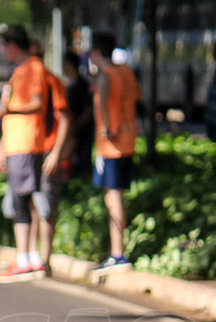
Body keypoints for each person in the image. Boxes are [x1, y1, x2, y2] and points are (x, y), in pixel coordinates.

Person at [0, 25, 48, 283]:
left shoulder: (33, 67)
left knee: (21, 201)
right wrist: (2, 146)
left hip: (26, 143)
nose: (3, 51)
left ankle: (25, 258)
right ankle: (30, 257)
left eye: (4, 45)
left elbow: (37, 103)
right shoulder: (19, 71)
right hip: (16, 143)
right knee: (25, 200)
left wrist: (12, 113)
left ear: (13, 44)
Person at [88, 31, 141, 273]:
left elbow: (102, 103)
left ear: (97, 53)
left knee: (113, 197)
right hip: (128, 139)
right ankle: (119, 251)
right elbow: (137, 96)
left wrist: (108, 128)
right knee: (117, 195)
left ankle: (117, 253)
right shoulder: (125, 71)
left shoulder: (106, 75)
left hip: (111, 144)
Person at [29, 40, 70, 277]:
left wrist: (56, 152)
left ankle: (46, 257)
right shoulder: (23, 79)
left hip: (46, 150)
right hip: (28, 149)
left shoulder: (52, 81)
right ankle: (32, 255)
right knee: (30, 204)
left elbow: (64, 117)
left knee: (46, 206)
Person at [61, 51, 93, 179]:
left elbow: (88, 109)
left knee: (82, 162)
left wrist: (77, 125)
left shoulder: (82, 84)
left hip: (82, 131)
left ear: (69, 64)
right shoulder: (69, 84)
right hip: (72, 129)